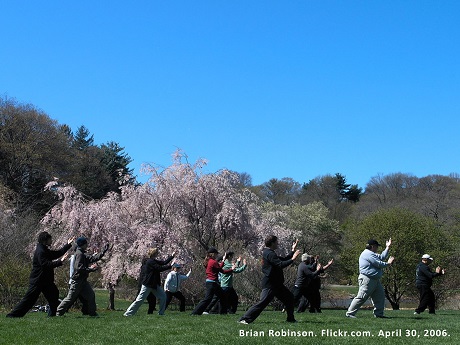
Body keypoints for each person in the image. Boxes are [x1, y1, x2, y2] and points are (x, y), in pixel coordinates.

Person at [6, 232, 74, 318]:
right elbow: (46, 265)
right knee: (29, 300)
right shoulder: (41, 251)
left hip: (45, 280)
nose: (51, 241)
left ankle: (52, 315)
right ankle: (13, 315)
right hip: (38, 281)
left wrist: (67, 245)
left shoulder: (44, 249)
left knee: (54, 294)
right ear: (45, 240)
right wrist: (60, 262)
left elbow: (56, 253)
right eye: (50, 239)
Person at [239, 235, 301, 324]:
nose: (278, 243)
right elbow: (280, 264)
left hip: (277, 284)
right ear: (272, 243)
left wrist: (292, 250)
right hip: (270, 284)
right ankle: (244, 319)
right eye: (276, 242)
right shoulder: (269, 253)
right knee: (263, 302)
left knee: (289, 298)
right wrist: (293, 259)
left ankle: (290, 319)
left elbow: (283, 259)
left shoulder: (269, 253)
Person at [57, 236, 109, 316]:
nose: (87, 245)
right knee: (70, 298)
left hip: (82, 281)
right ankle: (58, 312)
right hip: (77, 281)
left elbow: (92, 258)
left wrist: (103, 252)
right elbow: (79, 268)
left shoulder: (81, 252)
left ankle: (92, 313)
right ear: (83, 245)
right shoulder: (80, 254)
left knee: (91, 295)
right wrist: (90, 269)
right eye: (86, 244)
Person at [346, 238, 394, 319]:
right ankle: (350, 314)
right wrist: (388, 263)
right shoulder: (367, 254)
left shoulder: (371, 254)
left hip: (374, 280)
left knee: (380, 296)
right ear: (372, 246)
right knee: (361, 296)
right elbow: (379, 264)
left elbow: (381, 257)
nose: (377, 248)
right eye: (376, 247)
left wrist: (387, 247)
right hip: (367, 279)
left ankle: (379, 314)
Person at [124, 248, 175, 316]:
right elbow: (159, 268)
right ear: (154, 253)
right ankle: (128, 314)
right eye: (157, 252)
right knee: (139, 300)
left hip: (154, 285)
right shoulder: (150, 262)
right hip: (148, 284)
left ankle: (161, 313)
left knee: (163, 297)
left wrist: (172, 256)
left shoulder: (153, 261)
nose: (158, 253)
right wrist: (170, 266)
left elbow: (163, 263)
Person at [191, 247, 234, 315]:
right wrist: (232, 269)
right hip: (212, 283)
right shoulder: (213, 262)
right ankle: (195, 312)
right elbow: (222, 271)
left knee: (222, 297)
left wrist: (223, 261)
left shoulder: (209, 261)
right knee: (207, 299)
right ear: (213, 254)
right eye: (216, 254)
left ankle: (223, 313)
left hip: (211, 283)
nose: (217, 255)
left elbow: (218, 267)